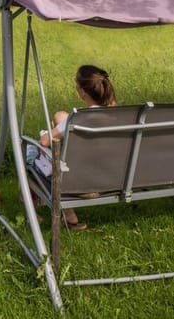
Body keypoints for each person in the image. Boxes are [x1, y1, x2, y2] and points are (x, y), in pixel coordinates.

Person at [27, 64, 118, 230]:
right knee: (60, 120)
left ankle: (31, 212)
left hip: (79, 183)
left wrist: (45, 134)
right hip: (109, 178)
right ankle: (69, 216)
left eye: (76, 84)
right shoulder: (119, 116)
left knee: (28, 151)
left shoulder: (79, 119)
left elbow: (45, 142)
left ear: (83, 91)